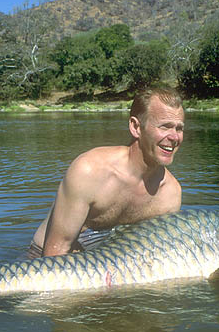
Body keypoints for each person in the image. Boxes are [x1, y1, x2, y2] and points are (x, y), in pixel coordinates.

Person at [27, 87, 185, 257]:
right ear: (136, 127)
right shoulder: (89, 171)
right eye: (165, 127)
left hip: (110, 264)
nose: (175, 137)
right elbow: (54, 252)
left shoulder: (170, 195)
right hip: (45, 260)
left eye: (179, 128)